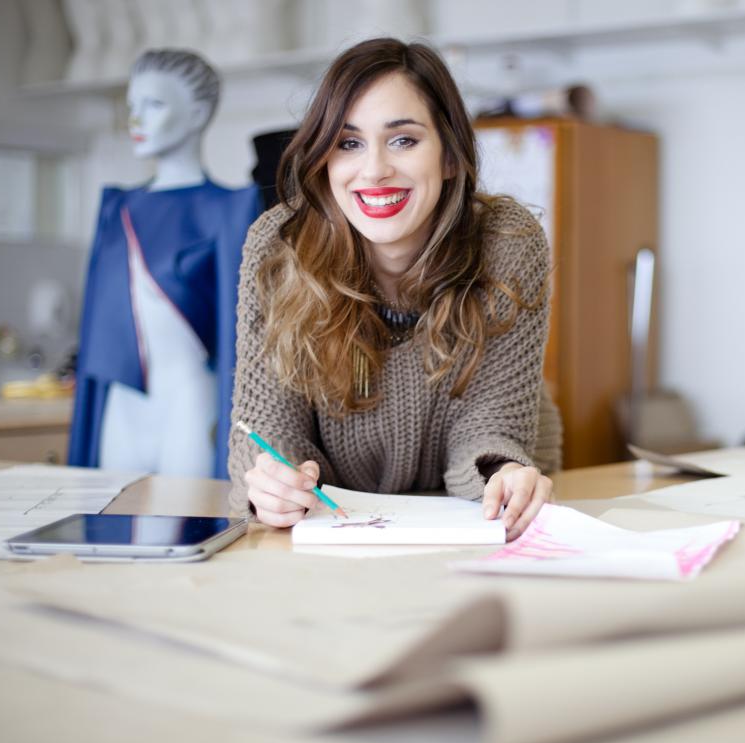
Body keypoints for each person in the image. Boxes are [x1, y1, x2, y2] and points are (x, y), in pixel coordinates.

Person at [228, 38, 562, 538]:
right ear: (323, 158)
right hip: (337, 526)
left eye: (403, 140)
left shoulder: (506, 242)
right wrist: (274, 486)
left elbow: (488, 428)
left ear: (450, 155)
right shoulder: (279, 247)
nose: (375, 169)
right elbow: (267, 427)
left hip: (476, 510)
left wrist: (504, 474)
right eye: (348, 142)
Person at [68, 49, 261, 479]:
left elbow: (244, 333)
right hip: (122, 398)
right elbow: (99, 325)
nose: (135, 121)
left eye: (153, 105)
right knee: (109, 529)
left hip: (190, 398)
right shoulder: (116, 207)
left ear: (196, 114)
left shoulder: (230, 208)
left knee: (190, 527)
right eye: (132, 107)